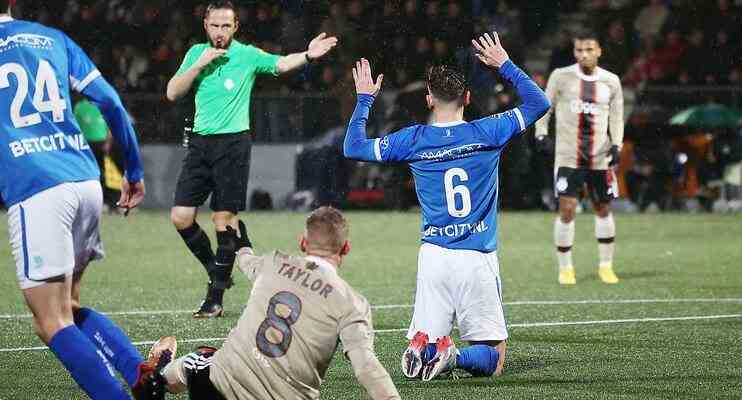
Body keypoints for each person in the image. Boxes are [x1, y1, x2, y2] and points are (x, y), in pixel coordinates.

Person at [0, 1, 158, 398]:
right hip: (84, 180)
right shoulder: (53, 38)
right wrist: (134, 171)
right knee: (68, 306)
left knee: (50, 321)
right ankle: (139, 373)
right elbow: (110, 102)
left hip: (37, 189)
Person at [343, 33, 550, 380]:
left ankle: (430, 349)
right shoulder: (489, 131)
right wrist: (505, 65)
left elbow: (353, 147)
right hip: (476, 256)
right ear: (468, 98)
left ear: (428, 99)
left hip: (434, 257)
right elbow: (539, 103)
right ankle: (451, 357)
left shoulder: (412, 139)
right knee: (493, 360)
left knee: (427, 341)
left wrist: (364, 100)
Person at [165, 0, 338, 318]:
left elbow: (281, 64)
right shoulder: (195, 54)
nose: (219, 32)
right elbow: (172, 92)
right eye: (214, 25)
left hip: (234, 144)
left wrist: (308, 55)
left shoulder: (246, 55)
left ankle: (214, 297)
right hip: (200, 145)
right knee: (180, 216)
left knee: (222, 219)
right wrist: (198, 64)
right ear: (206, 25)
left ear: (235, 28)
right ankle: (217, 269)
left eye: (226, 26)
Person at [138, 207, 401, 400]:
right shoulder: (351, 303)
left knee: (201, 358)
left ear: (303, 242)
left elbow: (245, 260)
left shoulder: (274, 264)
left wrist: (241, 245)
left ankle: (158, 378)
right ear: (345, 249)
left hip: (222, 390)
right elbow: (367, 368)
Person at [534, 32, 624, 285]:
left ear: (599, 51)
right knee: (567, 209)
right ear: (574, 52)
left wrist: (617, 143)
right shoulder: (561, 76)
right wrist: (541, 133)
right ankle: (566, 268)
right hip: (568, 155)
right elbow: (544, 105)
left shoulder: (611, 81)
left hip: (599, 156)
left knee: (603, 207)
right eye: (579, 50)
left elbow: (617, 116)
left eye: (589, 49)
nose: (584, 54)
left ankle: (606, 266)